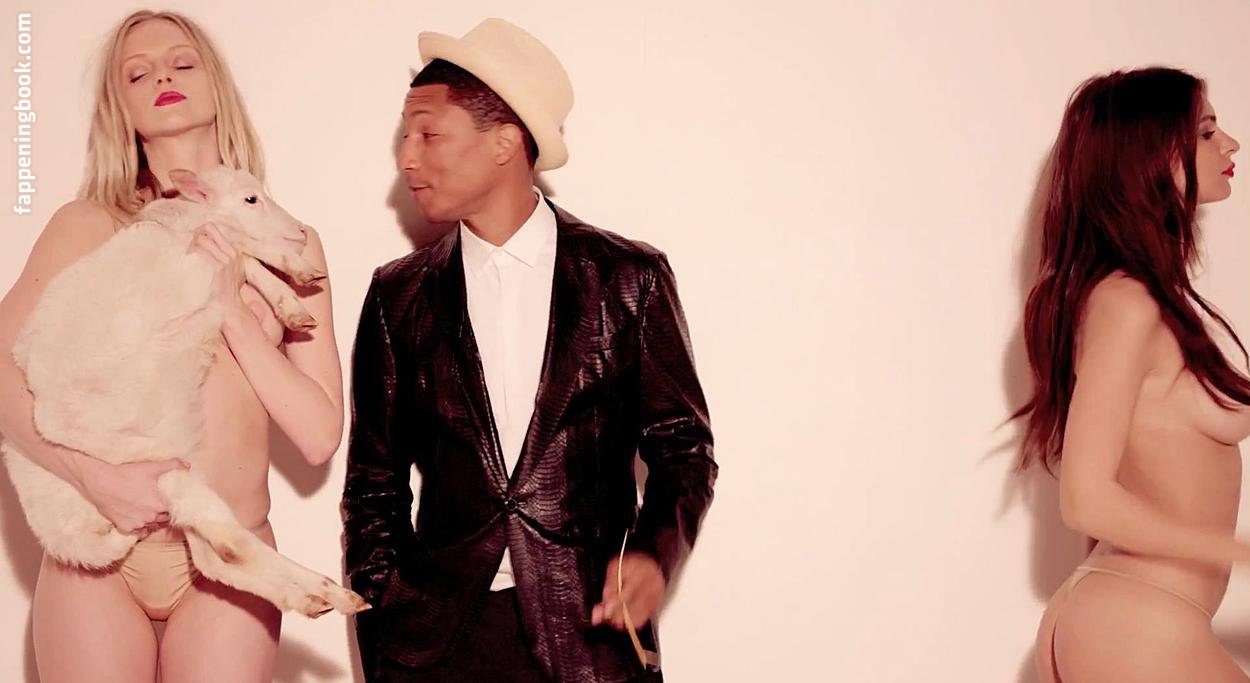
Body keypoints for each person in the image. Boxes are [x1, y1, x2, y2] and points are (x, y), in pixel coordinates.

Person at [342, 18, 717, 682]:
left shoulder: (628, 278)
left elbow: (683, 448)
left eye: (429, 134)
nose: (407, 158)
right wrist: (385, 627)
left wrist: (653, 552)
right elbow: (374, 486)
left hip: (589, 633)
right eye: (405, 136)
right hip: (439, 644)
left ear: (505, 142)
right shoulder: (397, 295)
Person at [0, 10, 343, 682]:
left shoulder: (293, 244)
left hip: (230, 556)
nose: (162, 76)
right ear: (120, 110)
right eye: (138, 73)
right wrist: (93, 478)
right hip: (99, 555)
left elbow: (320, 434)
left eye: (182, 62)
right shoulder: (88, 225)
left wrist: (233, 312)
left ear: (216, 84)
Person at [1014, 67, 1250, 681]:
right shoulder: (1128, 302)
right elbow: (1086, 498)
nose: (1230, 144)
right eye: (1206, 132)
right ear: (1149, 156)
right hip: (1138, 621)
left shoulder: (1149, 300)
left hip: (1130, 621)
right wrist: (1240, 551)